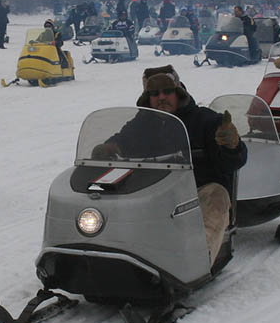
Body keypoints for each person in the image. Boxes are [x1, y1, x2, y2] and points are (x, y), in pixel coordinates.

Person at [91, 67, 247, 267]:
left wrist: (232, 145)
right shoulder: (140, 124)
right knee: (103, 192)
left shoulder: (206, 120)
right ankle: (102, 251)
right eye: (154, 94)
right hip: (151, 194)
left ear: (178, 93)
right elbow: (121, 140)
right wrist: (108, 148)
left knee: (217, 194)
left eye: (167, 91)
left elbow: (234, 162)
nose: (161, 97)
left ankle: (196, 262)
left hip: (196, 194)